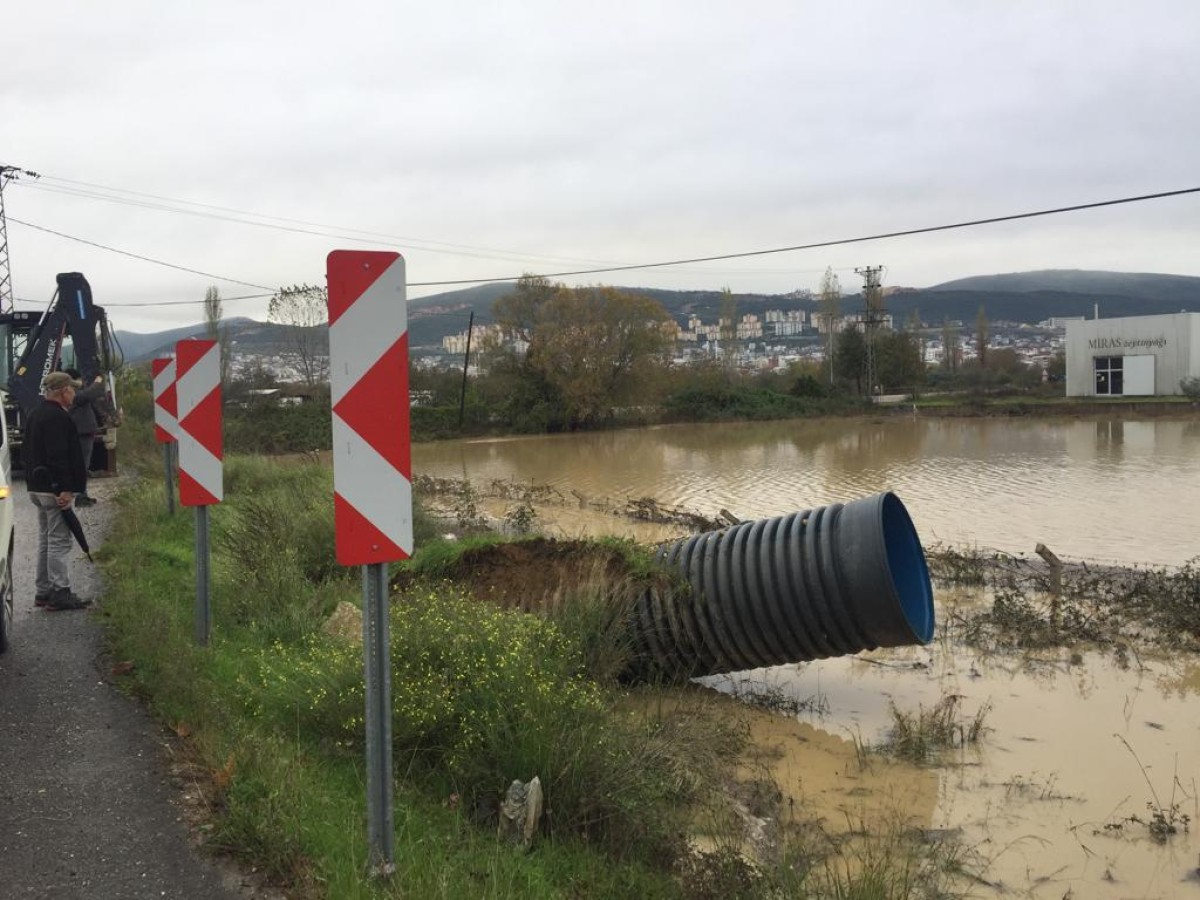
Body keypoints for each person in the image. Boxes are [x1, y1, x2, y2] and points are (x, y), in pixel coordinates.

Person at [25, 371, 91, 611]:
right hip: (54, 490)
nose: (74, 393)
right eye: (72, 389)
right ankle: (60, 591)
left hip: (37, 487)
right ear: (63, 391)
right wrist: (65, 488)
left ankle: (43, 591)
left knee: (45, 539)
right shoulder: (57, 418)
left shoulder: (35, 414)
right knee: (59, 541)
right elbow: (59, 457)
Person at [64, 367, 105, 507]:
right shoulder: (73, 394)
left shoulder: (72, 393)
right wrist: (98, 382)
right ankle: (81, 495)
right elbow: (89, 394)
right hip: (82, 433)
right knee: (82, 465)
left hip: (84, 432)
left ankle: (83, 493)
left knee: (83, 464)